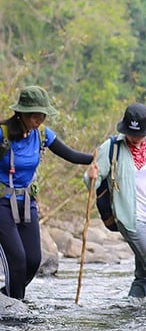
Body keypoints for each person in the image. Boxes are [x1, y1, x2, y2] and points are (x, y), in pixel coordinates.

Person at [0, 85, 94, 300]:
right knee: (17, 260)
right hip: (2, 203)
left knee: (33, 260)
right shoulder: (2, 134)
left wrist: (99, 157)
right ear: (22, 113)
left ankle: (8, 299)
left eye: (43, 115)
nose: (40, 120)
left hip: (27, 202)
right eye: (36, 115)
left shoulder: (42, 134)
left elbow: (70, 154)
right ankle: (16, 309)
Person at [85, 103, 146, 305]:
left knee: (144, 274)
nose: (135, 138)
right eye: (132, 133)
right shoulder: (111, 147)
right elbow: (93, 178)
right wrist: (90, 175)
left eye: (140, 134)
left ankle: (133, 310)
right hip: (130, 218)